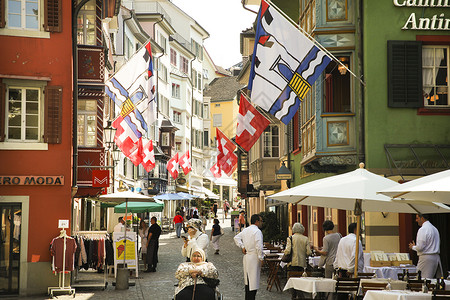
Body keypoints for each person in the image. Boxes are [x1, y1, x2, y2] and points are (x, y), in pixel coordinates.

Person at [234, 214, 264, 300]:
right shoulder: (257, 231)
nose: (262, 223)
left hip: (247, 257)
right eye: (261, 221)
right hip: (254, 257)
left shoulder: (245, 230)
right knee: (253, 282)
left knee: (248, 281)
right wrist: (261, 257)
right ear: (257, 222)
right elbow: (259, 246)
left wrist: (242, 246)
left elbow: (236, 238)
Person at [409, 214, 442, 278]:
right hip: (436, 258)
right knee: (431, 280)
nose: (416, 220)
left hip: (426, 258)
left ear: (422, 218)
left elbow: (420, 247)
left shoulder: (423, 229)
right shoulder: (434, 229)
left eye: (417, 218)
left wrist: (413, 247)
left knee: (422, 280)